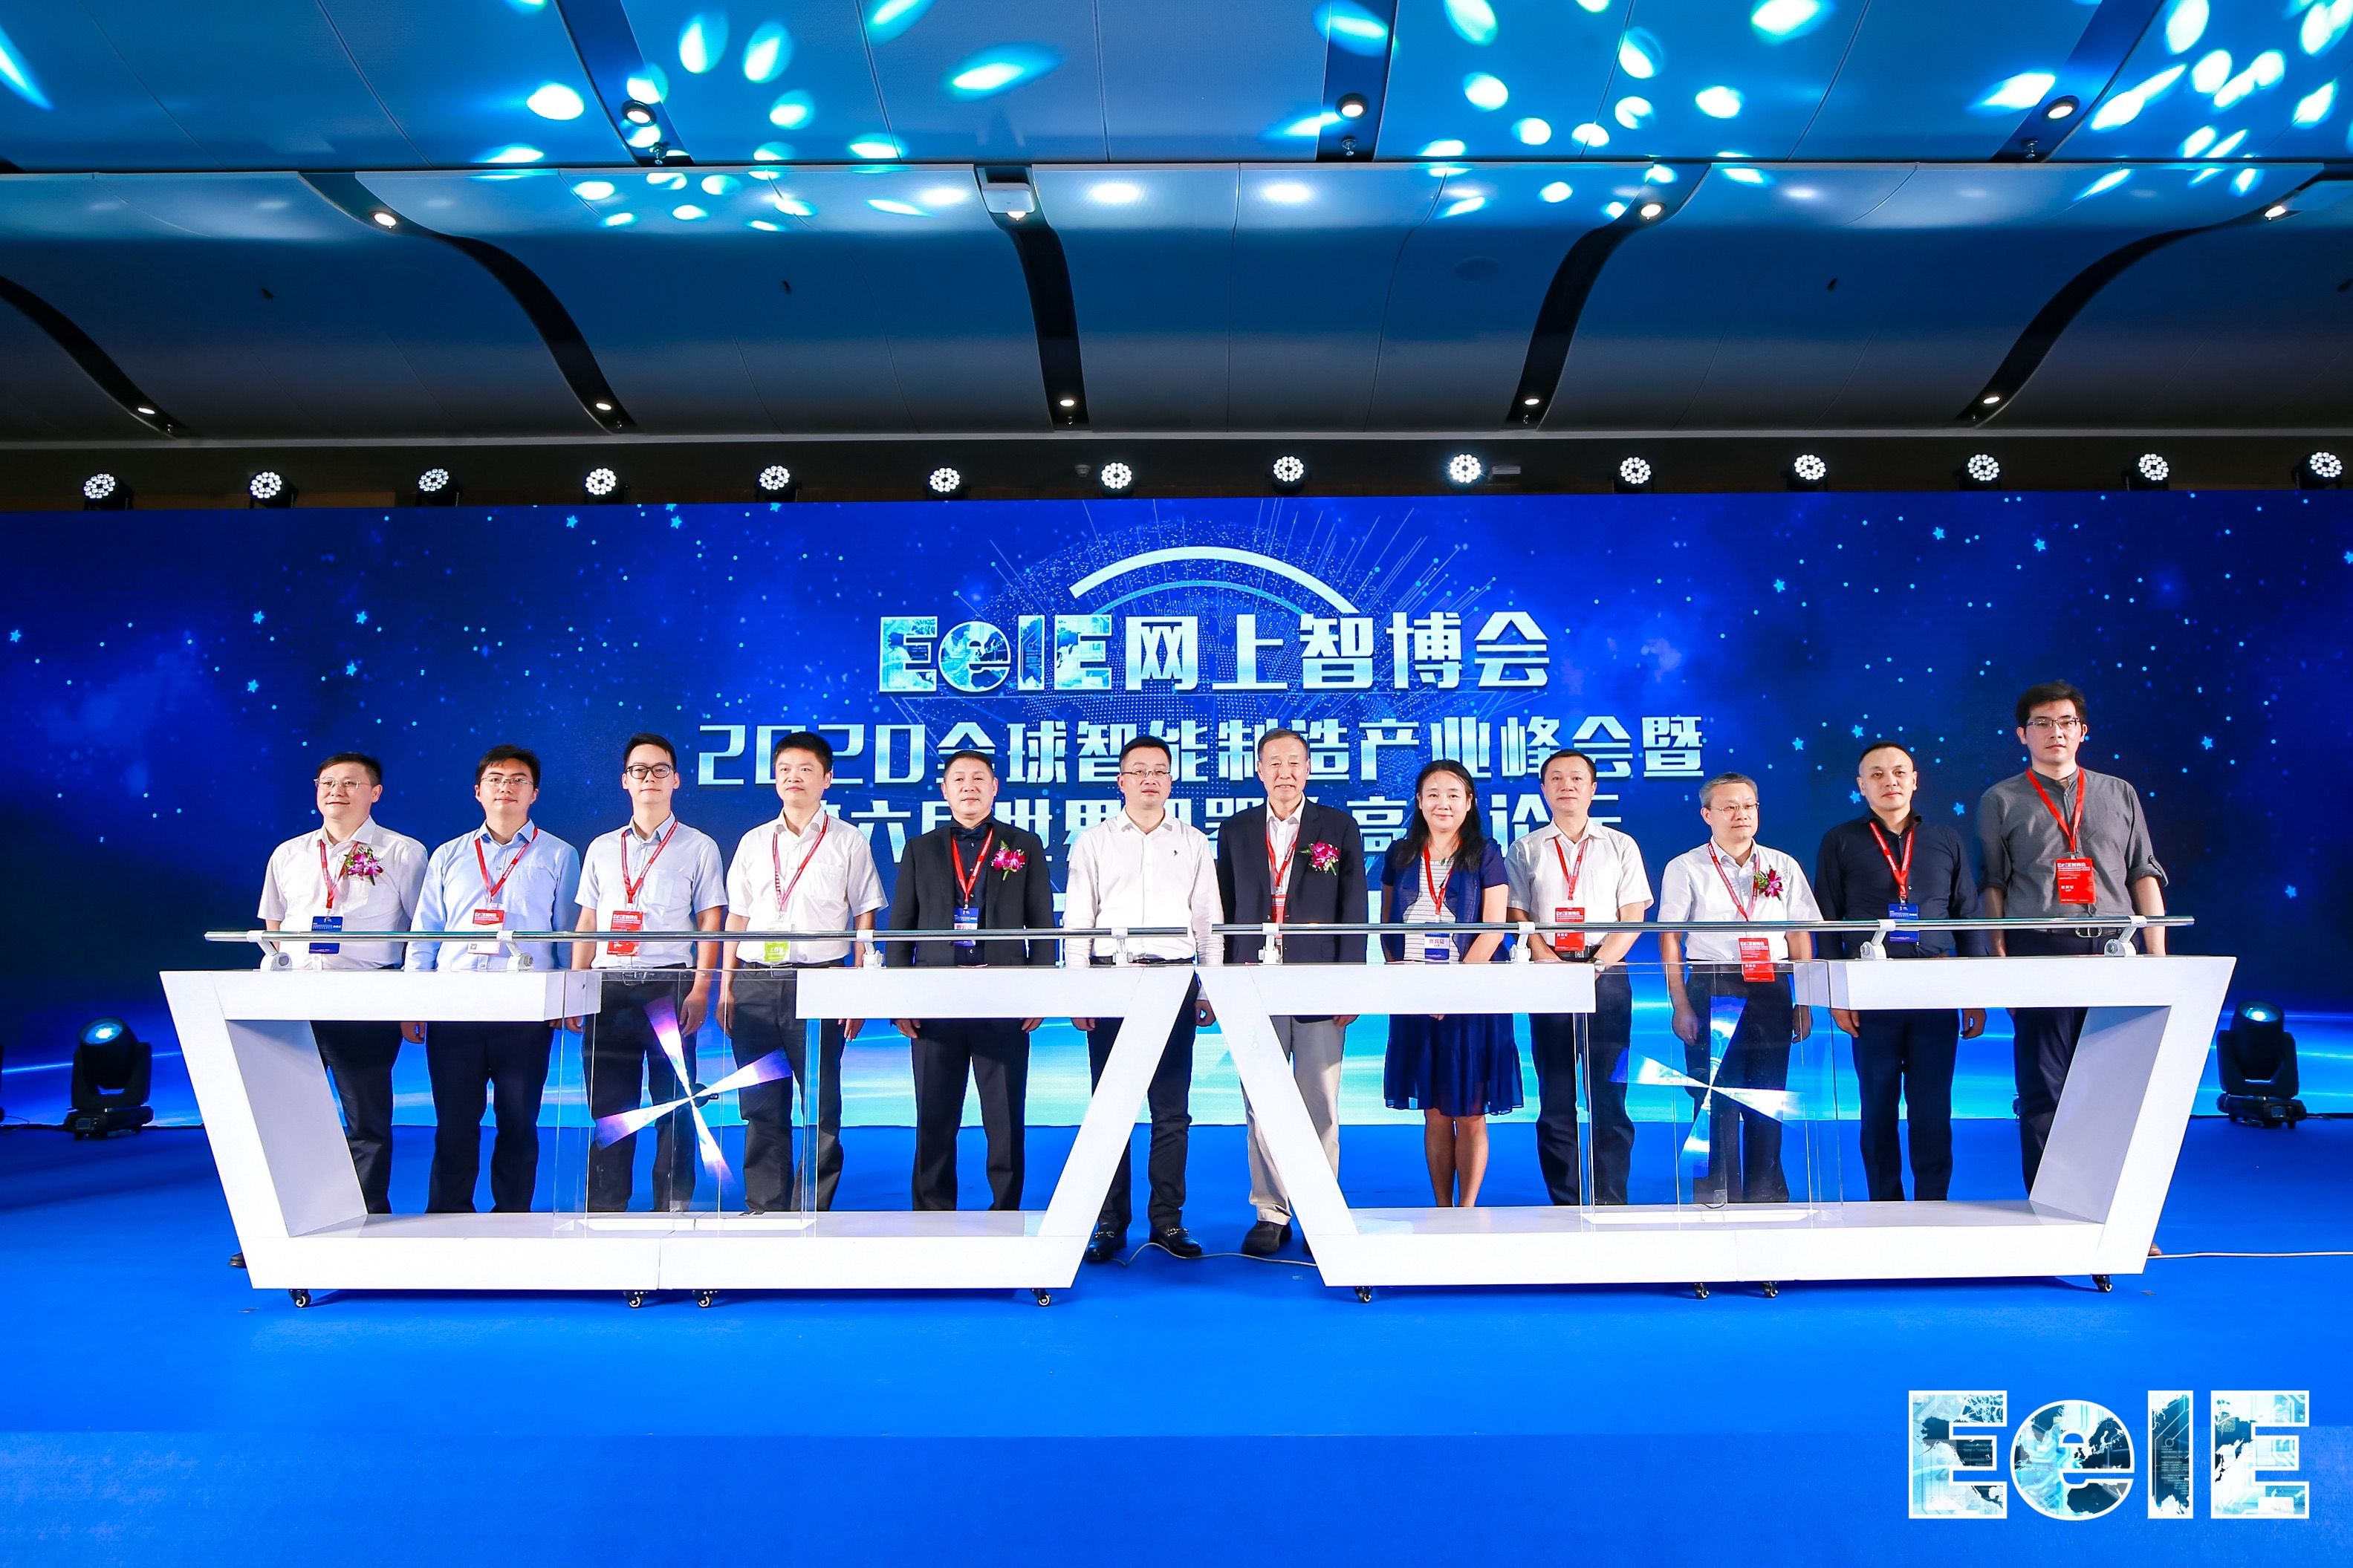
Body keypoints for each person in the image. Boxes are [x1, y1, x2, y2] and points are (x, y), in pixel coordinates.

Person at [1976, 680, 2168, 1189]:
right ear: (2022, 734)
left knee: (2115, 1083)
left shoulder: (2118, 792)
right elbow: (1993, 883)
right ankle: (2050, 1203)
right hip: (2040, 946)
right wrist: (1999, 959)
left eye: (2065, 722)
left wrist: (2157, 956)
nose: (2055, 732)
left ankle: (2111, 1205)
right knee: (2043, 1084)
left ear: (2083, 731)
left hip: (2115, 947)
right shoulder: (2000, 799)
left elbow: (2142, 872)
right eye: (2041, 723)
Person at [403, 745, 581, 1214]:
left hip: (525, 1008)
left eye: (518, 780)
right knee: (454, 1122)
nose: (507, 787)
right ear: (478, 791)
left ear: (534, 793)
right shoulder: (448, 855)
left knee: (518, 1120)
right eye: (496, 779)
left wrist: (567, 998)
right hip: (455, 1004)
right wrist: (412, 999)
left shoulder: (559, 854)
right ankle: (448, 1216)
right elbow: (426, 930)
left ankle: (513, 1216)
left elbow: (566, 933)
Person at [1064, 734, 1222, 1263]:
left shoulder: (1193, 841)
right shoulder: (1094, 841)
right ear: (1121, 781)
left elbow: (1208, 921)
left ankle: (1167, 1220)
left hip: (1174, 982)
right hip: (1112, 982)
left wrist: (1209, 986)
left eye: (1159, 770)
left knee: (1171, 1110)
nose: (1149, 779)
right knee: (1110, 1109)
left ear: (1171, 780)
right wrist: (1079, 990)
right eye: (1139, 770)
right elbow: (1078, 920)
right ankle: (1110, 1223)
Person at [1216, 726, 1369, 1256]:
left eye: (1294, 762)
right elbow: (1224, 908)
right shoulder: (1235, 829)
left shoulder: (1338, 826)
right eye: (1274, 763)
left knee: (1319, 1099)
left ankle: (1319, 1210)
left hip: (1318, 979)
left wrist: (1349, 982)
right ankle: (1270, 1211)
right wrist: (1222, 979)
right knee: (1262, 1101)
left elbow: (1354, 907)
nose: (1285, 772)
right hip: (1252, 981)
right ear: (1259, 770)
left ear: (1308, 769)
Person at [718, 730, 884, 1212]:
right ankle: (765, 1207)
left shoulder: (848, 841)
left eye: (806, 769)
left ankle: (810, 1210)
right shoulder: (753, 842)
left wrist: (859, 993)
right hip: (754, 982)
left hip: (821, 982)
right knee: (760, 1104)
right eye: (785, 769)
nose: (794, 777)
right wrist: (727, 986)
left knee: (821, 1104)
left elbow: (865, 918)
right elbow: (737, 918)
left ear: (827, 779)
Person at [1813, 741, 1985, 1203]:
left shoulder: (1945, 839)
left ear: (1914, 780)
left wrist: (1975, 992)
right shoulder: (1840, 841)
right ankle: (1883, 1204)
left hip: (1935, 985)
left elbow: (1968, 916)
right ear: (1861, 786)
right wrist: (1837, 995)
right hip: (1871, 989)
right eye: (1876, 774)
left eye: (1898, 772)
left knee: (1933, 1108)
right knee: (1877, 1107)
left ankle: (1933, 1204)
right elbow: (1827, 921)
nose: (1889, 781)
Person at [256, 752, 426, 1214]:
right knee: (288, 1116)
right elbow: (274, 924)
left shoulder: (402, 852)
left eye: (350, 783)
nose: (336, 791)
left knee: (366, 1118)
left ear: (375, 793)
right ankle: (294, 1220)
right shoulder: (289, 853)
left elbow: (421, 929)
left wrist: (413, 1002)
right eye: (327, 782)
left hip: (364, 997)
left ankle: (366, 1216)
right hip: (295, 998)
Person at [887, 749, 1054, 1211]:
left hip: (1002, 997)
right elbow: (901, 928)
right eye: (958, 779)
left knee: (1005, 1117)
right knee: (934, 1117)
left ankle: (1005, 1212)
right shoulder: (920, 849)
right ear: (944, 790)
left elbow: (1042, 925)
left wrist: (1040, 994)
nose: (969, 786)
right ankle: (932, 1216)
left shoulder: (1023, 844)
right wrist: (899, 999)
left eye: (979, 778)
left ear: (995, 787)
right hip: (935, 1000)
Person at [569, 733, 727, 1212]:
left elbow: (711, 922)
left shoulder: (699, 846)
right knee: (610, 1109)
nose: (649, 778)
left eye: (660, 770)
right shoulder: (601, 848)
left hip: (668, 986)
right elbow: (588, 922)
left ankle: (673, 1206)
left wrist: (701, 988)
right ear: (625, 781)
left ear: (676, 780)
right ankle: (605, 1208)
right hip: (608, 988)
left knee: (675, 1105)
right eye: (639, 770)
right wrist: (576, 987)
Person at [1656, 772, 1817, 1206]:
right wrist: (1680, 1003)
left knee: (1767, 1096)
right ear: (1707, 814)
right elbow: (1670, 937)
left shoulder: (1782, 865)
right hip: (1714, 984)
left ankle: (1766, 1194)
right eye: (1728, 807)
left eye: (1748, 806)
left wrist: (1804, 1000)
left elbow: (1800, 934)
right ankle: (1713, 1196)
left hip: (1771, 985)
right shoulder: (1685, 867)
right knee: (1713, 1098)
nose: (1740, 814)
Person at [1504, 748, 1653, 1207]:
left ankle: (1611, 1200)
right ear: (1543, 789)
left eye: (1576, 778)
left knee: (1609, 1094)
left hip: (1606, 974)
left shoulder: (1620, 845)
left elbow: (1632, 915)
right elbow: (1517, 914)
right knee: (1555, 1097)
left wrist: (1598, 965)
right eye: (1556, 779)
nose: (1566, 786)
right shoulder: (1526, 848)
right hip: (1548, 973)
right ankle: (1565, 1204)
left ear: (1593, 789)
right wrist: (1547, 959)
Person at [1380, 758, 1521, 1208]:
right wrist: (1408, 985)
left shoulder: (1487, 853)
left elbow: (1494, 928)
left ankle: (1468, 1210)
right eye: (1434, 794)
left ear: (1470, 802)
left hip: (1471, 996)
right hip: (1416, 996)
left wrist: (1453, 990)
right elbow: (1387, 928)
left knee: (1471, 1111)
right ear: (1419, 801)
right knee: (1436, 1112)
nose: (1443, 803)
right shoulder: (1400, 854)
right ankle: (1443, 1208)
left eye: (1453, 795)